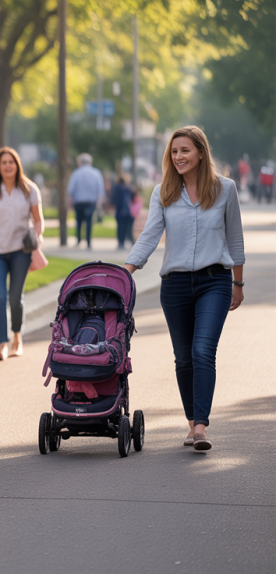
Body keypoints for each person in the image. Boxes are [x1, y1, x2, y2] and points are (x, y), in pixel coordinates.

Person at [123, 125, 245, 452]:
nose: (179, 156)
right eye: (174, 151)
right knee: (183, 358)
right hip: (174, 285)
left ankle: (201, 427)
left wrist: (238, 282)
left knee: (202, 351)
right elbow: (150, 236)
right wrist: (125, 271)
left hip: (215, 281)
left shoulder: (225, 189)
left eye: (185, 150)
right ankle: (192, 423)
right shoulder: (163, 192)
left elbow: (235, 238)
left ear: (201, 153)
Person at [0, 147, 45, 360]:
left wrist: (37, 238)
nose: (8, 166)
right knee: (0, 297)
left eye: (11, 162)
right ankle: (2, 344)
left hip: (21, 251)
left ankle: (17, 338)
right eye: (3, 162)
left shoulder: (29, 189)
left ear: (17, 165)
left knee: (15, 298)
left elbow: (38, 220)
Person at [67, 153, 105, 249]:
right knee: (89, 222)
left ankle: (79, 240)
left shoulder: (76, 173)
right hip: (91, 202)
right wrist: (99, 204)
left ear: (80, 162)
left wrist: (69, 204)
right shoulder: (96, 173)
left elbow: (70, 190)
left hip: (78, 202)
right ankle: (88, 242)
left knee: (79, 222)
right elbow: (100, 190)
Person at [111, 173, 135, 249]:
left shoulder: (116, 188)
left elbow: (113, 199)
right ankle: (123, 241)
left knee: (119, 227)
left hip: (119, 210)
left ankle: (120, 242)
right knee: (125, 227)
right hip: (127, 211)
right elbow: (132, 198)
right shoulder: (128, 188)